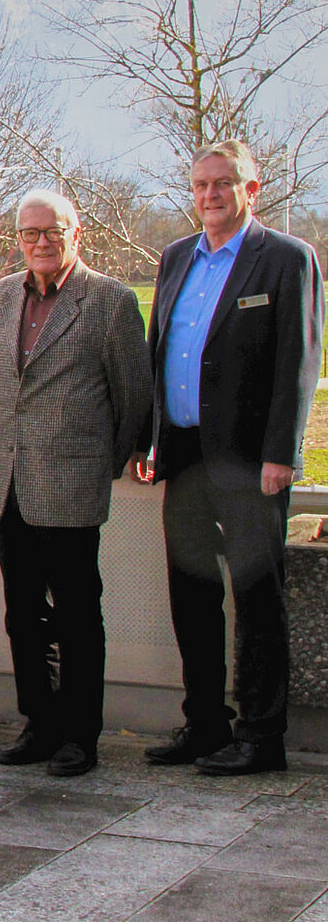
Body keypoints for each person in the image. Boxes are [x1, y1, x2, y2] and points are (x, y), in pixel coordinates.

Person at [132, 140, 324, 776]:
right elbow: (159, 351)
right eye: (200, 185)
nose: (210, 195)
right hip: (184, 455)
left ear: (251, 189)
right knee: (191, 596)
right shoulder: (176, 257)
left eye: (223, 183)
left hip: (249, 462)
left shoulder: (286, 258)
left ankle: (261, 736)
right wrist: (152, 439)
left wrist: (281, 454)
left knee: (257, 601)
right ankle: (205, 724)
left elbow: (298, 363)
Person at [0, 191, 150, 777]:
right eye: (30, 233)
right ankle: (40, 724)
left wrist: (101, 464)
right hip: (8, 482)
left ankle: (81, 736)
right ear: (18, 239)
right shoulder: (1, 296)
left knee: (77, 616)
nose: (41, 242)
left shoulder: (109, 300)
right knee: (23, 615)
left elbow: (133, 395)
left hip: (72, 482)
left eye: (53, 231)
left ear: (77, 234)